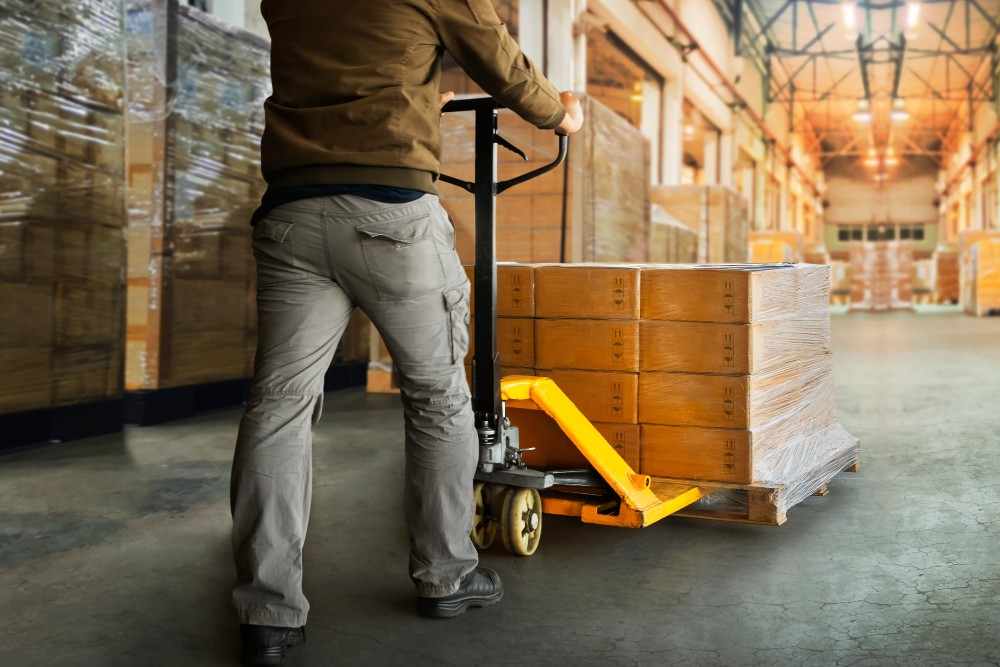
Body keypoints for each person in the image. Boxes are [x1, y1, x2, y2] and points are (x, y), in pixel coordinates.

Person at [231, 1, 585, 664]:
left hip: (292, 211)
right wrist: (560, 112)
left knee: (277, 406)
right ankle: (446, 574)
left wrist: (416, 85)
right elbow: (500, 59)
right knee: (436, 395)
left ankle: (266, 609)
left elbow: (345, 54)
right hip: (390, 211)